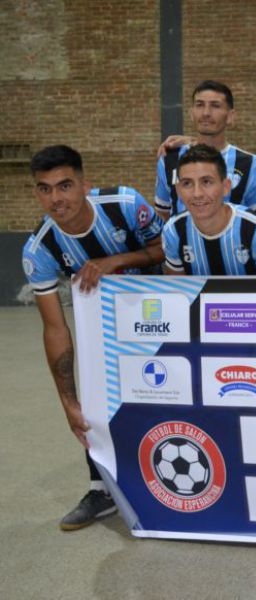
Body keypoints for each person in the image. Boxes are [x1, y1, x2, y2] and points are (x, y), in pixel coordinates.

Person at [21, 145, 164, 530]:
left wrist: (114, 261)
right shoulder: (40, 249)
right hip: (106, 329)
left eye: (65, 186)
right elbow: (55, 327)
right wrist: (68, 402)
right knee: (97, 401)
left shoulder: (126, 204)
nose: (56, 198)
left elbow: (166, 247)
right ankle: (101, 489)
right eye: (45, 189)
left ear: (84, 185)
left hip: (162, 316)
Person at [155, 80, 256, 219]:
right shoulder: (168, 158)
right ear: (191, 113)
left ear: (230, 116)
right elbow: (162, 213)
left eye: (215, 106)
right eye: (200, 105)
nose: (206, 113)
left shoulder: (251, 164)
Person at [162, 145, 256, 275]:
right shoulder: (173, 231)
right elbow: (179, 291)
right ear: (179, 191)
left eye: (206, 182)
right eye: (187, 183)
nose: (197, 193)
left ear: (226, 187)